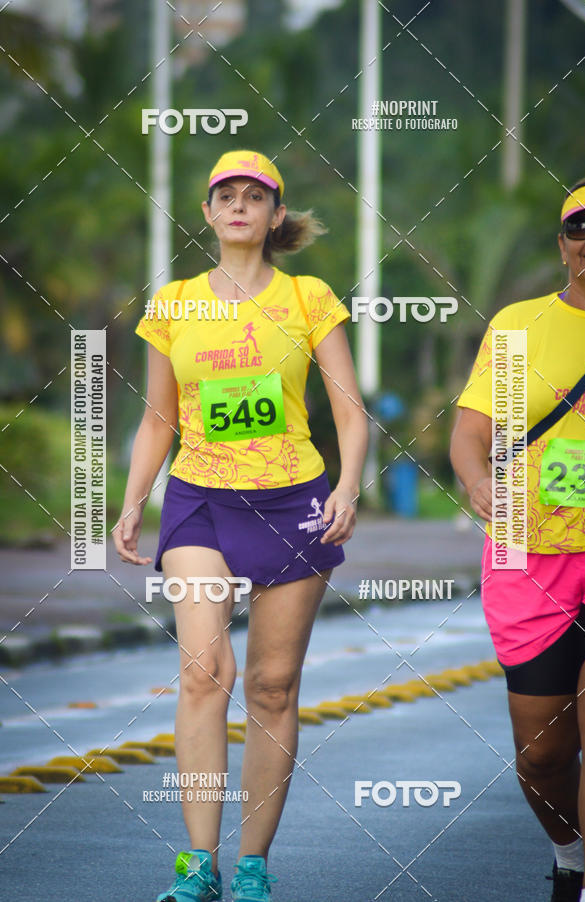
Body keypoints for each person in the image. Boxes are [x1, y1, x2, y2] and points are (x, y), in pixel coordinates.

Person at [113, 149, 368, 902]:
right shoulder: (174, 303)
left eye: (254, 196)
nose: (238, 206)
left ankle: (252, 864)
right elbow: (158, 419)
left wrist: (348, 485)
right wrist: (131, 502)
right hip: (200, 501)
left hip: (295, 503)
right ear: (207, 212)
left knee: (273, 686)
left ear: (274, 214)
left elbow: (349, 409)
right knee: (203, 672)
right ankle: (198, 864)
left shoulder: (309, 297)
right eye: (225, 194)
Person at [450, 177, 585, 902]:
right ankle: (570, 853)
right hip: (522, 546)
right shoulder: (520, 327)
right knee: (543, 754)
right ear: (562, 245)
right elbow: (471, 434)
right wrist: (478, 480)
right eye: (581, 225)